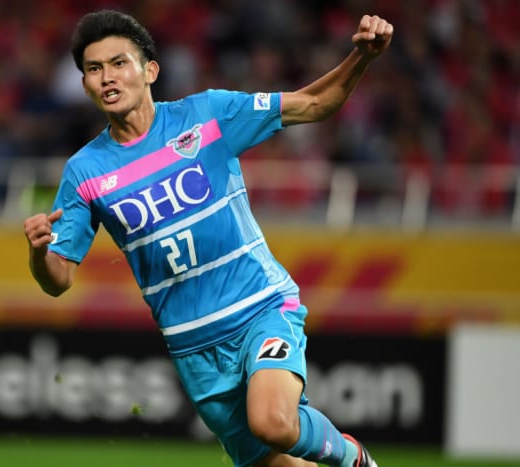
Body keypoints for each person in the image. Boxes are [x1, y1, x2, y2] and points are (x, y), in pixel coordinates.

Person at [24, 9, 393, 467]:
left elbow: (313, 103)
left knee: (274, 423)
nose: (107, 77)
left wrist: (362, 57)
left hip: (259, 309)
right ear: (85, 84)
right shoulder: (84, 172)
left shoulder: (207, 115)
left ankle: (356, 459)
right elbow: (58, 278)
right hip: (194, 348)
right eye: (94, 69)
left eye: (119, 63)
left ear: (150, 70)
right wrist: (39, 253)